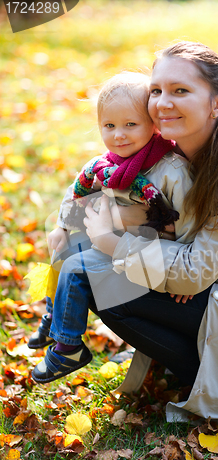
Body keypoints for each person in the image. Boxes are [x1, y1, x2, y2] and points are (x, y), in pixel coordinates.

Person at [33, 41, 218, 425]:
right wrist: (70, 224)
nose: (162, 102)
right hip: (206, 286)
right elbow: (99, 178)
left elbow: (193, 273)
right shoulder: (164, 149)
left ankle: (209, 369)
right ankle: (161, 351)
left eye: (180, 91)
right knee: (81, 254)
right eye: (156, 91)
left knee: (94, 271)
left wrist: (112, 239)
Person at [28, 71, 194, 372]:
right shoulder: (106, 165)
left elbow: (191, 222)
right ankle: (54, 317)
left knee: (77, 268)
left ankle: (68, 347)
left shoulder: (171, 170)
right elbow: (76, 192)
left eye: (131, 124)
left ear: (153, 124)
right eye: (109, 126)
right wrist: (62, 226)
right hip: (118, 243)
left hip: (153, 257)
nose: (119, 134)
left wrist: (186, 272)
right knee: (64, 251)